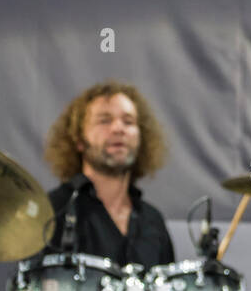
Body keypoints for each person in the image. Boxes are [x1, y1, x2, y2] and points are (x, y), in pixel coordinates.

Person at [41, 80, 175, 268]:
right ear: (78, 139)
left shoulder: (152, 220)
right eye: (104, 120)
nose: (118, 129)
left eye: (128, 122)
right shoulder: (53, 210)